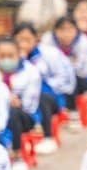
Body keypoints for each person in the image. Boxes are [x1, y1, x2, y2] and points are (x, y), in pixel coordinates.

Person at [14, 22, 75, 150]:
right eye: (20, 40)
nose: (24, 44)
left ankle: (48, 136)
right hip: (24, 99)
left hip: (50, 96)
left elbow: (64, 77)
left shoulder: (49, 54)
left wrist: (47, 85)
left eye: (28, 39)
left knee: (41, 97)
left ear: (36, 39)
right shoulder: (13, 58)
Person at [0, 39, 42, 170]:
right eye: (2, 56)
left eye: (10, 55)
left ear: (18, 54)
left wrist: (15, 102)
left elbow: (30, 104)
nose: (6, 59)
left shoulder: (31, 71)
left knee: (14, 113)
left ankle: (17, 154)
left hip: (26, 116)